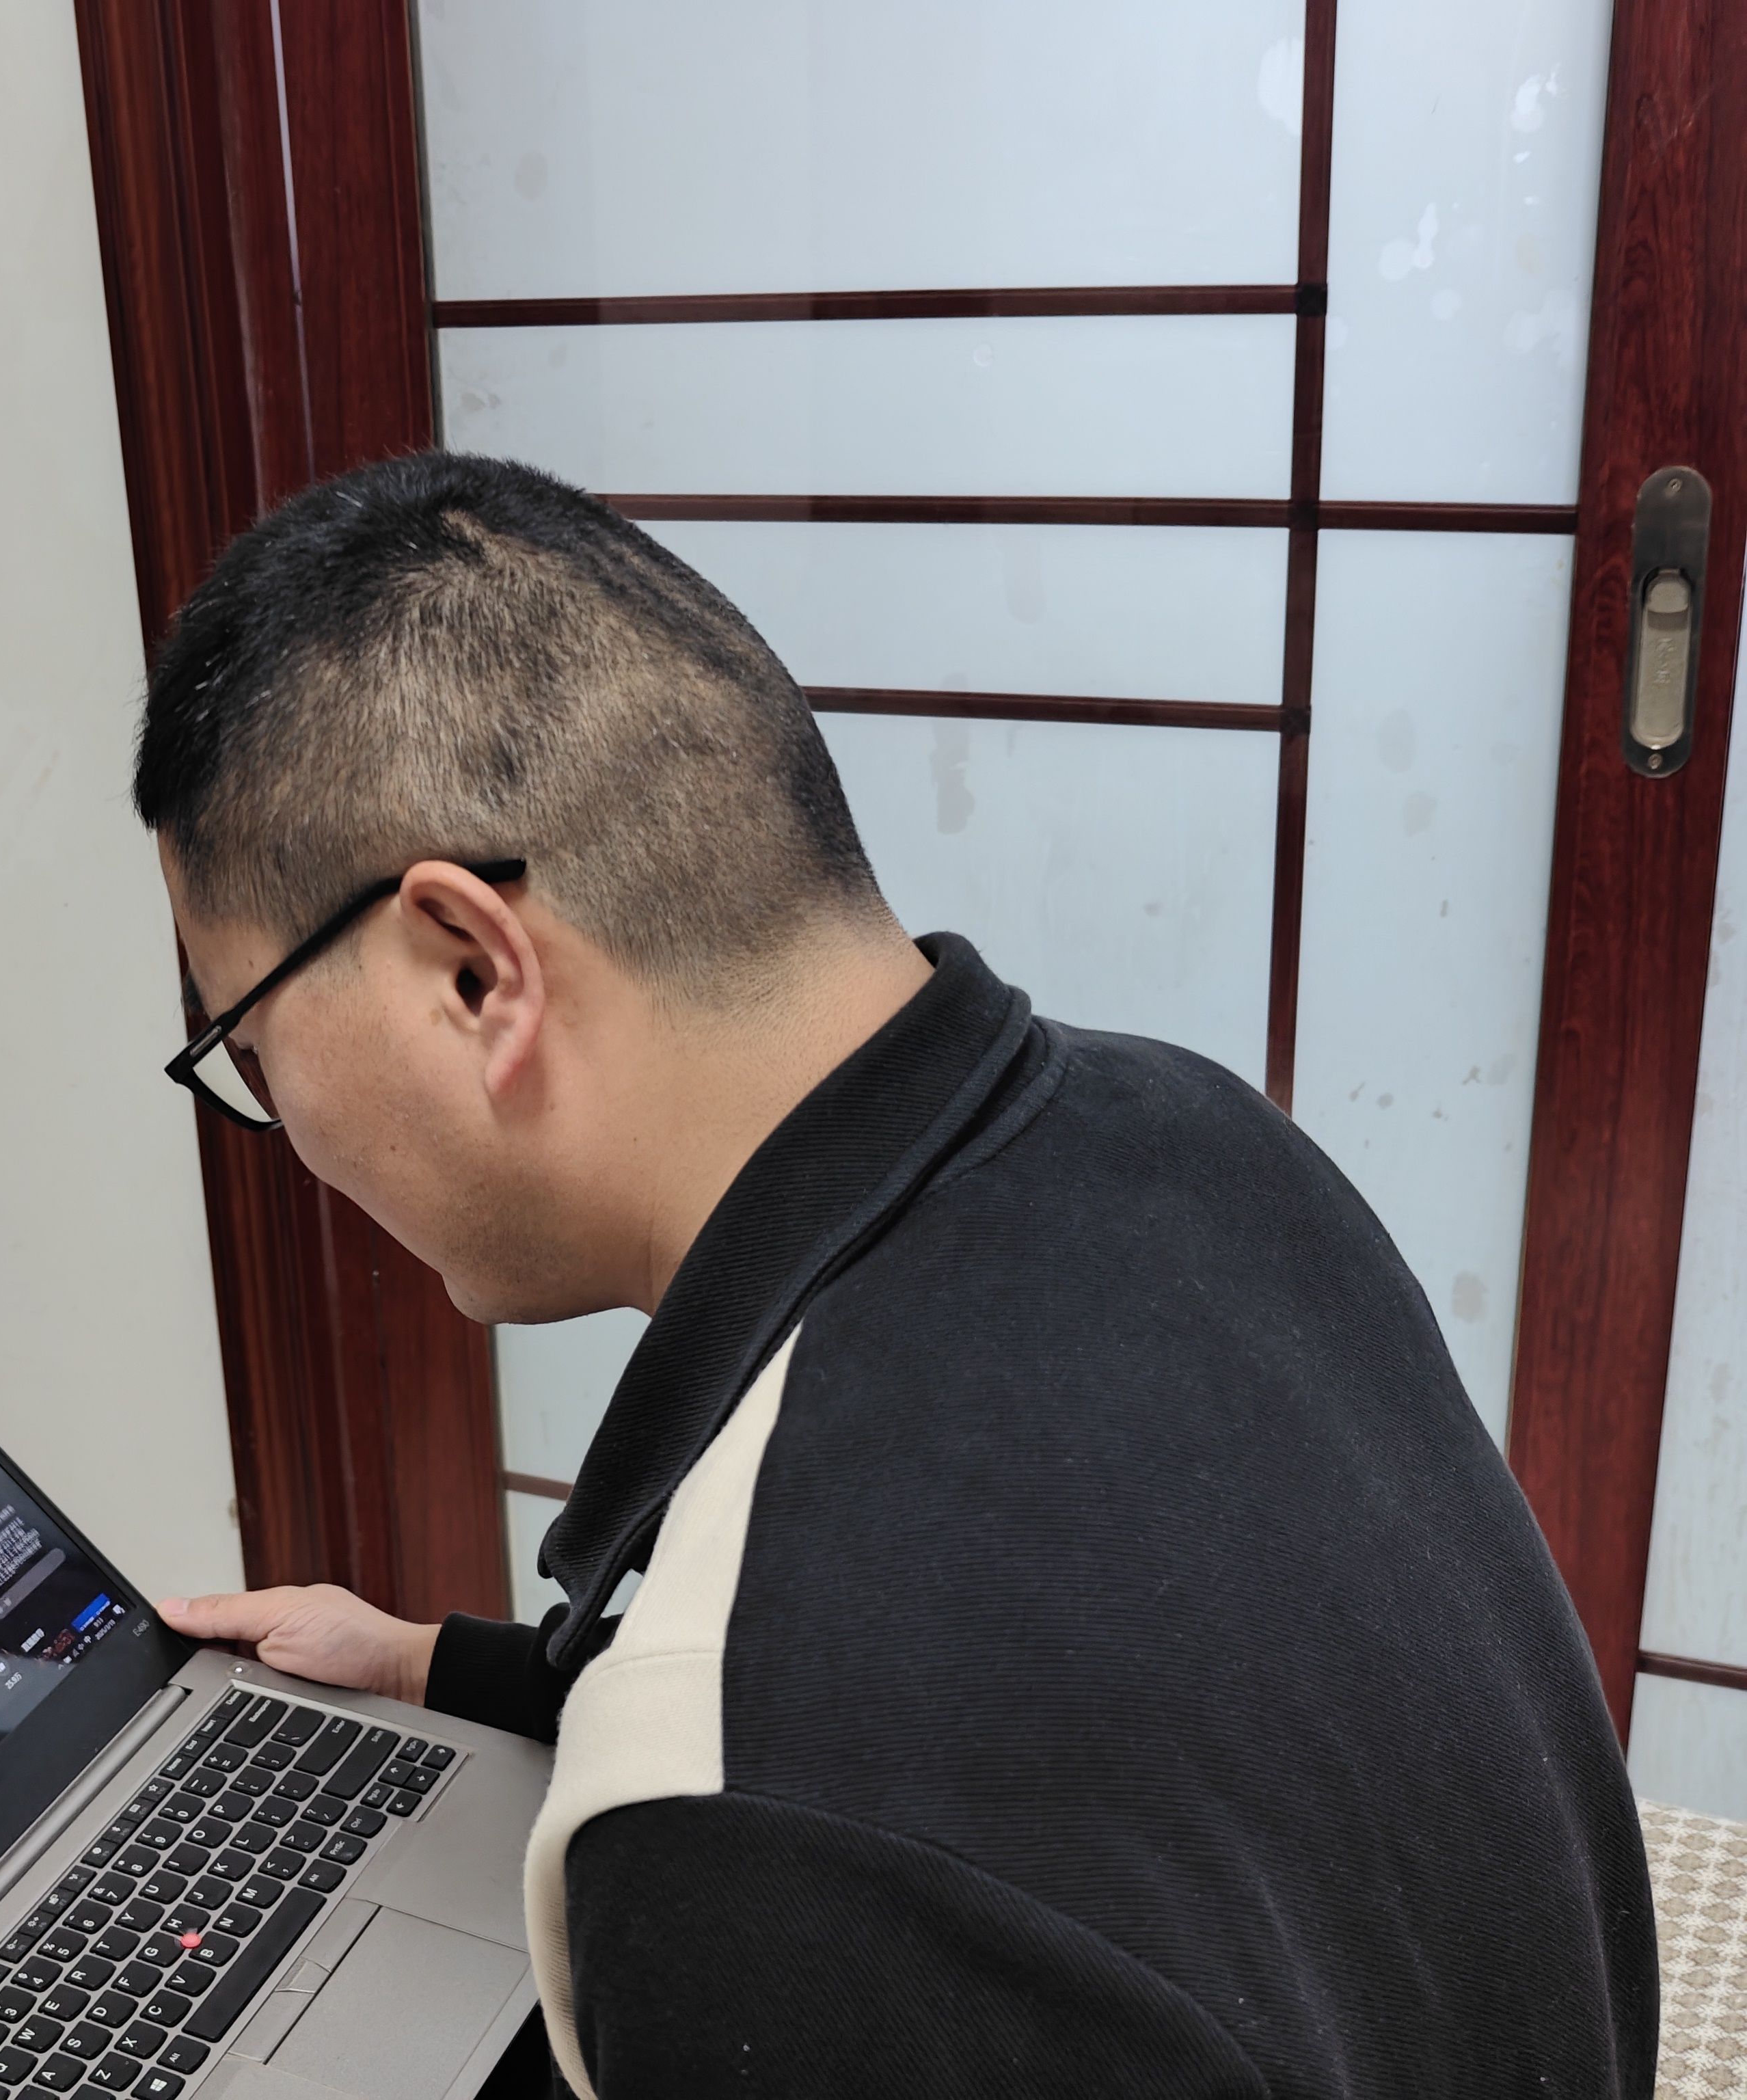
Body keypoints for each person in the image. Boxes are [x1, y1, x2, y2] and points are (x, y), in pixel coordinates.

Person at [133, 450, 1655, 2097]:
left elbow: (842, 1775)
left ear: (472, 971)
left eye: (246, 1044)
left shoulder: (746, 1839)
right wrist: (434, 1667)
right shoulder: (1191, 1130)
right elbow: (1074, 1728)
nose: (278, 1122)